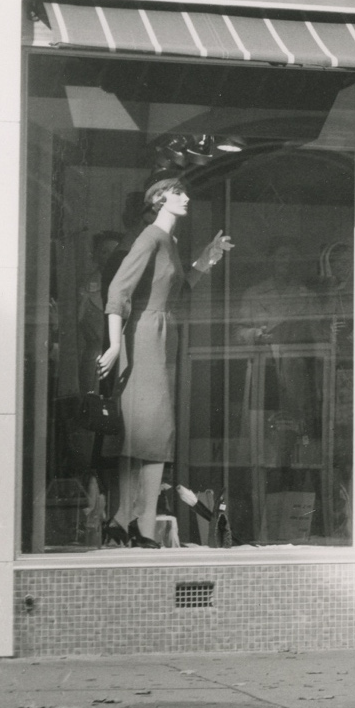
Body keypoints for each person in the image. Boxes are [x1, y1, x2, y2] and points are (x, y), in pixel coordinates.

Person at [99, 178, 234, 546]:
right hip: (143, 335)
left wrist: (207, 257)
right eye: (179, 193)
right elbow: (118, 290)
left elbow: (178, 289)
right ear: (159, 200)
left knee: (144, 430)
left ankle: (124, 517)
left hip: (160, 334)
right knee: (152, 429)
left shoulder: (169, 241)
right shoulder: (151, 237)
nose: (187, 198)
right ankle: (140, 523)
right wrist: (113, 344)